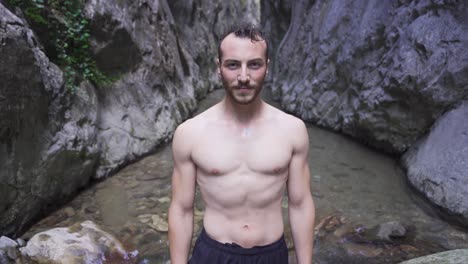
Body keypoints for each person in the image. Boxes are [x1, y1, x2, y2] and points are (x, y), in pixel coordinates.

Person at [168, 23, 315, 264]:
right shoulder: (190, 133)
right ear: (219, 68)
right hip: (212, 254)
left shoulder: (292, 130)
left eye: (254, 65)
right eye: (233, 65)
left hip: (271, 255)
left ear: (267, 68)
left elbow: (300, 204)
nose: (244, 77)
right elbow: (181, 209)